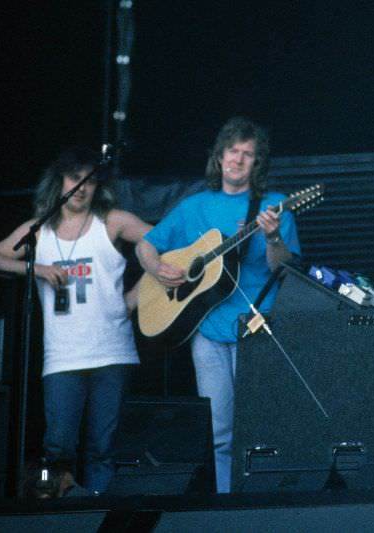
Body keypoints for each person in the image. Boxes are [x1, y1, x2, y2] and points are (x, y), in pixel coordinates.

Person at [135, 116, 301, 493]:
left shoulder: (274, 206)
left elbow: (284, 268)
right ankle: (226, 505)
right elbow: (145, 244)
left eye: (248, 154)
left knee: (258, 426)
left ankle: (257, 504)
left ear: (257, 163)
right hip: (206, 329)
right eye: (232, 151)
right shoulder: (195, 206)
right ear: (219, 156)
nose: (238, 160)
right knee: (218, 431)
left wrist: (273, 238)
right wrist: (157, 268)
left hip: (255, 325)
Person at [0, 147, 151, 493]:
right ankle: (50, 504)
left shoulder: (112, 220)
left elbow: (165, 243)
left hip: (112, 352)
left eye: (89, 180)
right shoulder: (39, 231)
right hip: (63, 357)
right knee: (56, 450)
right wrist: (36, 269)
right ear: (60, 182)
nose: (82, 188)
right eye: (75, 178)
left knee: (103, 448)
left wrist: (135, 297)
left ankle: (100, 511)